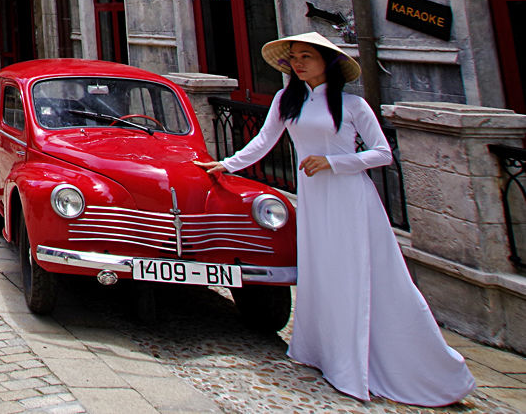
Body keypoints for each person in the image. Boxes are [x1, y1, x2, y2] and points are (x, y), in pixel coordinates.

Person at [195, 33, 474, 406]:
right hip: (314, 198)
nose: (298, 63)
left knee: (358, 272)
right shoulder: (286, 100)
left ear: (327, 62)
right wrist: (225, 165)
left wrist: (335, 162)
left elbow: (382, 153)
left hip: (349, 197)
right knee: (323, 271)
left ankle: (377, 362)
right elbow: (264, 141)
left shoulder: (352, 105)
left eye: (306, 56)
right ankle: (325, 352)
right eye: (294, 57)